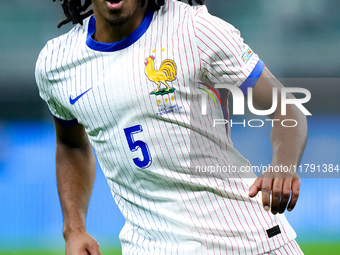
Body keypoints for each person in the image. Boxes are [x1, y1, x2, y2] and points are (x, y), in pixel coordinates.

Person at [35, 0, 307, 254]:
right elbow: (71, 144)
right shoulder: (57, 63)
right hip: (150, 246)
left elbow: (286, 109)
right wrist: (74, 229)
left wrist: (283, 164)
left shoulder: (196, 29)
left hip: (249, 240)